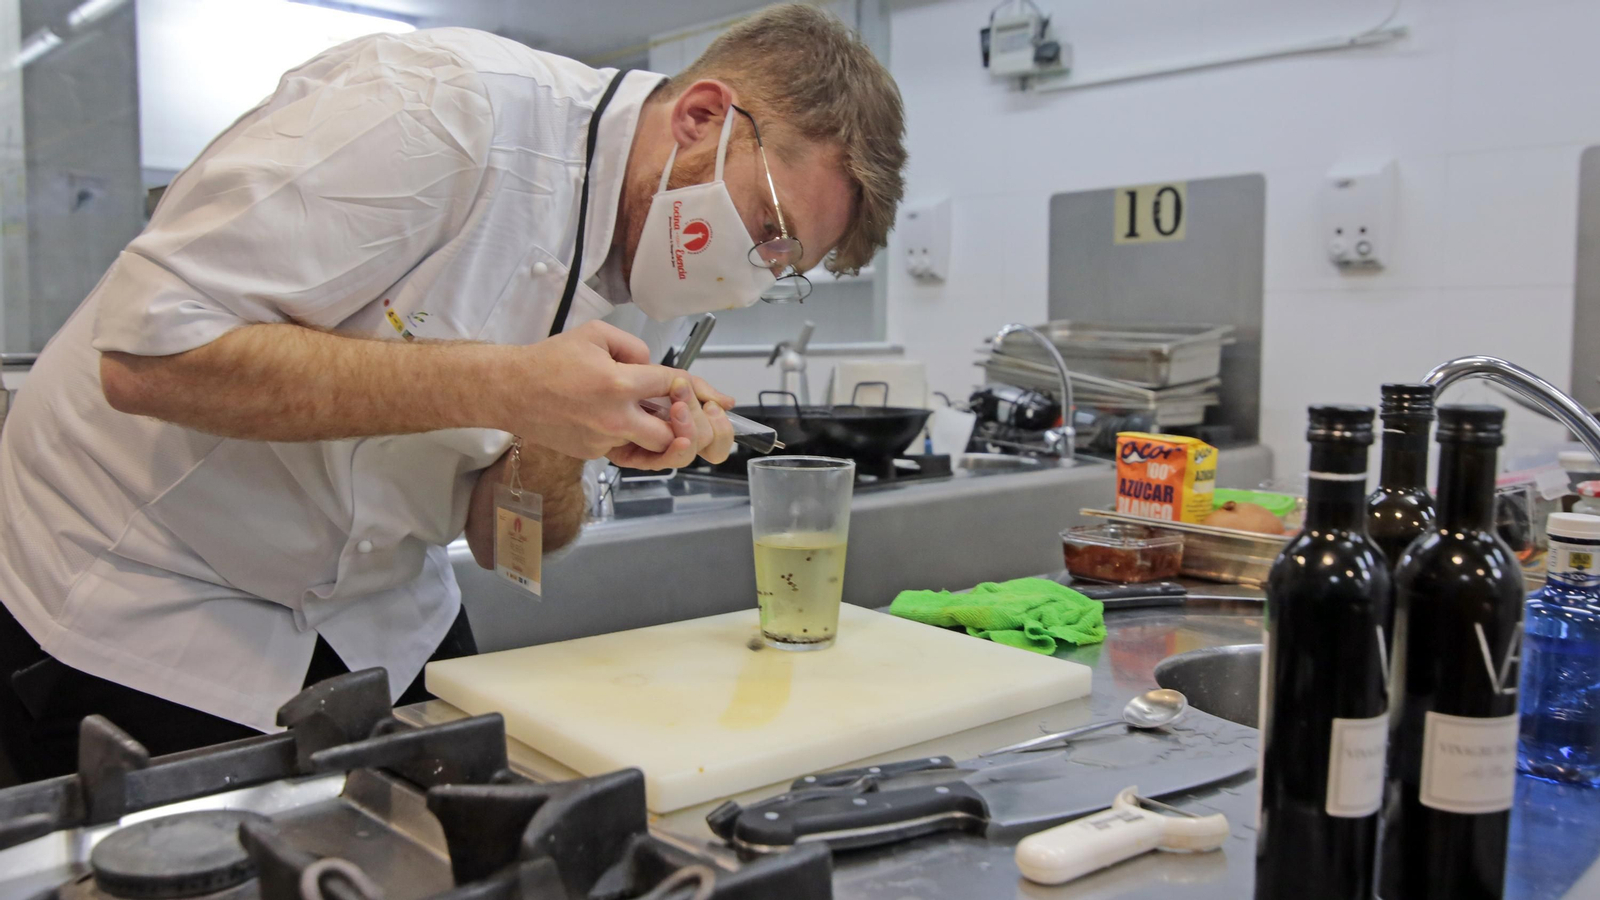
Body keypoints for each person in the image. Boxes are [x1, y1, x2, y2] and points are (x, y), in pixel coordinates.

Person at [0, 3, 906, 782]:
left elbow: (504, 537)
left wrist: (566, 434)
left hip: (381, 615)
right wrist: (514, 385)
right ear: (703, 116)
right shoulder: (436, 104)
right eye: (769, 231)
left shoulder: (660, 272)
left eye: (785, 269)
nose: (751, 278)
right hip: (141, 590)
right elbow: (150, 354)